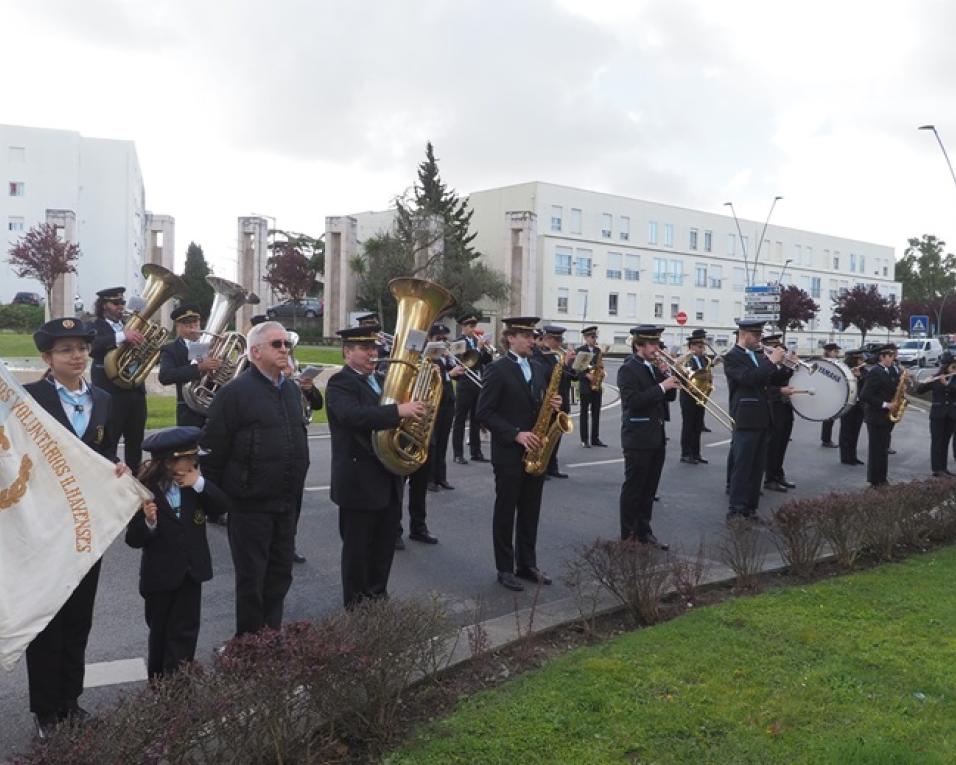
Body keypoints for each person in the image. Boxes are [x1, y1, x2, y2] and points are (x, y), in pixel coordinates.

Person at [23, 318, 132, 740]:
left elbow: (103, 452)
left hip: (87, 529)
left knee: (79, 620)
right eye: (66, 349)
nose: (78, 355)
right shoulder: (29, 399)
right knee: (48, 622)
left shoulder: (103, 399)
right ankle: (45, 711)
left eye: (83, 348)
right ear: (47, 358)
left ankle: (70, 702)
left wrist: (117, 466)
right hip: (44, 530)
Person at [200, 321, 309, 635]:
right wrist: (218, 501)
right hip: (250, 506)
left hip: (286, 503)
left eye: (287, 344)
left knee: (280, 576)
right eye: (277, 344)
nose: (285, 349)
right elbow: (212, 450)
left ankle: (270, 638)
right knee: (252, 581)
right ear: (255, 351)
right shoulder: (234, 393)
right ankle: (248, 646)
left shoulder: (290, 389)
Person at [326, 325, 425, 607]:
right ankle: (357, 606)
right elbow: (352, 415)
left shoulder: (382, 379)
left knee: (383, 545)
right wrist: (398, 411)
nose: (373, 353)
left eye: (374, 348)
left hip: (388, 477)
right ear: (347, 352)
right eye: (365, 348)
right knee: (358, 550)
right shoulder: (340, 382)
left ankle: (378, 597)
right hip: (359, 480)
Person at [125, 427, 231, 679]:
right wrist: (149, 522)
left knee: (185, 633)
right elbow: (133, 538)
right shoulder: (145, 489)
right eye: (189, 458)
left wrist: (200, 484)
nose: (194, 463)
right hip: (160, 578)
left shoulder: (194, 483)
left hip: (191, 573)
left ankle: (180, 687)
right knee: (160, 634)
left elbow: (221, 506)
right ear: (169, 462)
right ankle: (159, 686)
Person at [476, 316, 562, 592]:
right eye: (525, 336)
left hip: (536, 450)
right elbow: (484, 412)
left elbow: (538, 404)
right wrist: (516, 434)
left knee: (530, 510)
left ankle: (527, 564)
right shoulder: (497, 369)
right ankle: (504, 568)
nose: (531, 341)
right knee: (506, 511)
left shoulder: (537, 367)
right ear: (510, 338)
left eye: (533, 336)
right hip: (509, 453)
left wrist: (553, 405)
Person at [397, 323, 458, 550]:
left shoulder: (436, 363)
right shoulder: (403, 365)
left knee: (420, 483)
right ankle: (394, 529)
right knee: (399, 483)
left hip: (424, 429)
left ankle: (418, 526)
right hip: (403, 429)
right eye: (436, 337)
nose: (441, 341)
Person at [618, 325, 680, 547]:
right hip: (637, 437)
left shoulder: (654, 367)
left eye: (658, 343)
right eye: (653, 344)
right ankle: (628, 536)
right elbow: (633, 402)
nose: (657, 348)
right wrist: (662, 386)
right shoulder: (628, 369)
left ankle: (644, 531)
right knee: (634, 489)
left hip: (656, 435)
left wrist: (668, 378)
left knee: (649, 489)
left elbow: (668, 399)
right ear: (639, 346)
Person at [723, 319, 788, 521]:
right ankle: (736, 510)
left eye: (760, 335)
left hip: (763, 416)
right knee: (743, 466)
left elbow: (767, 381)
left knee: (757, 467)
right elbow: (749, 379)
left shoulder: (758, 356)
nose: (759, 339)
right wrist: (771, 362)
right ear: (743, 334)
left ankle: (750, 509)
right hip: (746, 417)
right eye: (756, 335)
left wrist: (785, 365)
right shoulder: (732, 357)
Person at [89, 286, 148, 472]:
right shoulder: (95, 326)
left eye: (122, 302)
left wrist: (146, 347)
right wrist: (123, 336)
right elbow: (92, 346)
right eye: (115, 303)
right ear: (104, 305)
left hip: (135, 392)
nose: (120, 306)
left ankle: (135, 478)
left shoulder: (130, 324)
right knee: (110, 440)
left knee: (136, 440)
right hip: (111, 392)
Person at [158, 304, 221, 429]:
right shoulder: (170, 349)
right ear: (178, 327)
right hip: (188, 410)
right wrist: (198, 368)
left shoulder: (214, 345)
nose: (193, 328)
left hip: (216, 407)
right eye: (187, 325)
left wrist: (219, 367)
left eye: (195, 323)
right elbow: (165, 376)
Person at [452, 314, 493, 464]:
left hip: (478, 383)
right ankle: (458, 454)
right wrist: (477, 348)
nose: (473, 329)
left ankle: (476, 452)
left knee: (477, 419)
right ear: (463, 327)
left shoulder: (477, 341)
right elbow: (465, 361)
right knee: (460, 420)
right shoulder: (458, 343)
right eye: (470, 326)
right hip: (465, 384)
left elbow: (485, 361)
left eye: (474, 326)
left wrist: (487, 350)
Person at [538, 325, 577, 479]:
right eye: (558, 340)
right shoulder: (541, 355)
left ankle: (552, 467)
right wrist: (564, 363)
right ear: (548, 339)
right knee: (545, 437)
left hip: (562, 401)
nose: (560, 343)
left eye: (561, 339)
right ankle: (542, 466)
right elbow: (544, 375)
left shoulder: (559, 354)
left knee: (555, 438)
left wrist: (573, 364)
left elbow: (572, 376)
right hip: (549, 403)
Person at [859, 343, 900, 488]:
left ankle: (882, 478)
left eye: (893, 356)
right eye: (890, 356)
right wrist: (885, 404)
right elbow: (865, 395)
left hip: (886, 417)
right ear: (882, 357)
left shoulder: (890, 370)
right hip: (876, 416)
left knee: (883, 450)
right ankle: (874, 480)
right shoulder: (875, 372)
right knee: (876, 450)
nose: (892, 359)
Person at [762, 335, 798, 493]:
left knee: (782, 443)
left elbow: (784, 378)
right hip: (771, 407)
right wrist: (779, 390)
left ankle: (778, 474)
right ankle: (770, 478)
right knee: (773, 445)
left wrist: (791, 366)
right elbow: (763, 387)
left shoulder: (780, 364)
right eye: (776, 347)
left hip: (784, 407)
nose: (780, 350)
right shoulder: (764, 363)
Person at [429, 323, 460, 492]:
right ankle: (429, 479)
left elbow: (457, 375)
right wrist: (449, 374)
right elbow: (430, 379)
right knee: (432, 442)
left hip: (448, 403)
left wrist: (451, 359)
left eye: (444, 339)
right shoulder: (428, 357)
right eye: (438, 338)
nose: (442, 342)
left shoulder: (444, 357)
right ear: (430, 339)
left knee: (443, 441)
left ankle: (441, 477)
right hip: (435, 404)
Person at [915, 352, 956, 477]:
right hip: (938, 415)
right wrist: (926, 382)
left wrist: (947, 384)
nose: (954, 368)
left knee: (945, 442)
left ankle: (943, 468)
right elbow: (919, 391)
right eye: (952, 366)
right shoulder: (936, 378)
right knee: (937, 441)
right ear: (946, 366)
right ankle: (936, 469)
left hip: (951, 415)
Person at [679, 328, 710, 465]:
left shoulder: (704, 360)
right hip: (688, 395)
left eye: (702, 346)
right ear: (692, 347)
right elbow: (681, 374)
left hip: (701, 394)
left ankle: (696, 453)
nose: (702, 349)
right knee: (688, 425)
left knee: (697, 425)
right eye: (699, 346)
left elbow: (706, 374)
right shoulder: (686, 360)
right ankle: (686, 453)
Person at [577, 326, 607, 447]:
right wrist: (586, 375)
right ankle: (584, 439)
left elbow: (599, 365)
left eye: (595, 337)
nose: (594, 339)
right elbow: (576, 369)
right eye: (592, 337)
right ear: (586, 337)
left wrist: (601, 372)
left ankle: (595, 438)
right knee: (584, 413)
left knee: (596, 413)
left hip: (596, 385)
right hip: (585, 386)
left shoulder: (598, 351)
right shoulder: (580, 350)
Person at [838, 349, 867, 466]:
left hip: (859, 405)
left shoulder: (863, 370)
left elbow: (868, 385)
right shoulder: (844, 370)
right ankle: (845, 457)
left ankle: (853, 456)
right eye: (859, 359)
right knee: (846, 431)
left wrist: (860, 377)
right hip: (847, 404)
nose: (862, 361)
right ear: (853, 359)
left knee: (855, 431)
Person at [819, 342, 841, 447]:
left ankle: (826, 439)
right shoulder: (824, 363)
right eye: (835, 351)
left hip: (833, 392)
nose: (837, 353)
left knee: (830, 417)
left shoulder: (835, 362)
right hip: (827, 393)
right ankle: (826, 440)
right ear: (829, 351)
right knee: (829, 417)